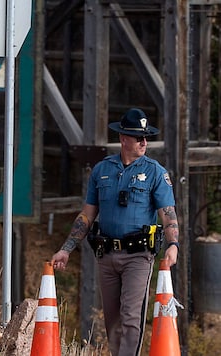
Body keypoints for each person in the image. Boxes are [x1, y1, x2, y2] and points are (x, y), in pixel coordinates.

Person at [50, 108, 180, 356]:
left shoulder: (155, 172)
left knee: (131, 316)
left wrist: (173, 245)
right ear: (123, 138)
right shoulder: (102, 170)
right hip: (107, 254)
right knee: (112, 319)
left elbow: (168, 215)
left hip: (138, 255)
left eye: (146, 137)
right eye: (138, 137)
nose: (144, 142)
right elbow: (87, 215)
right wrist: (66, 249)